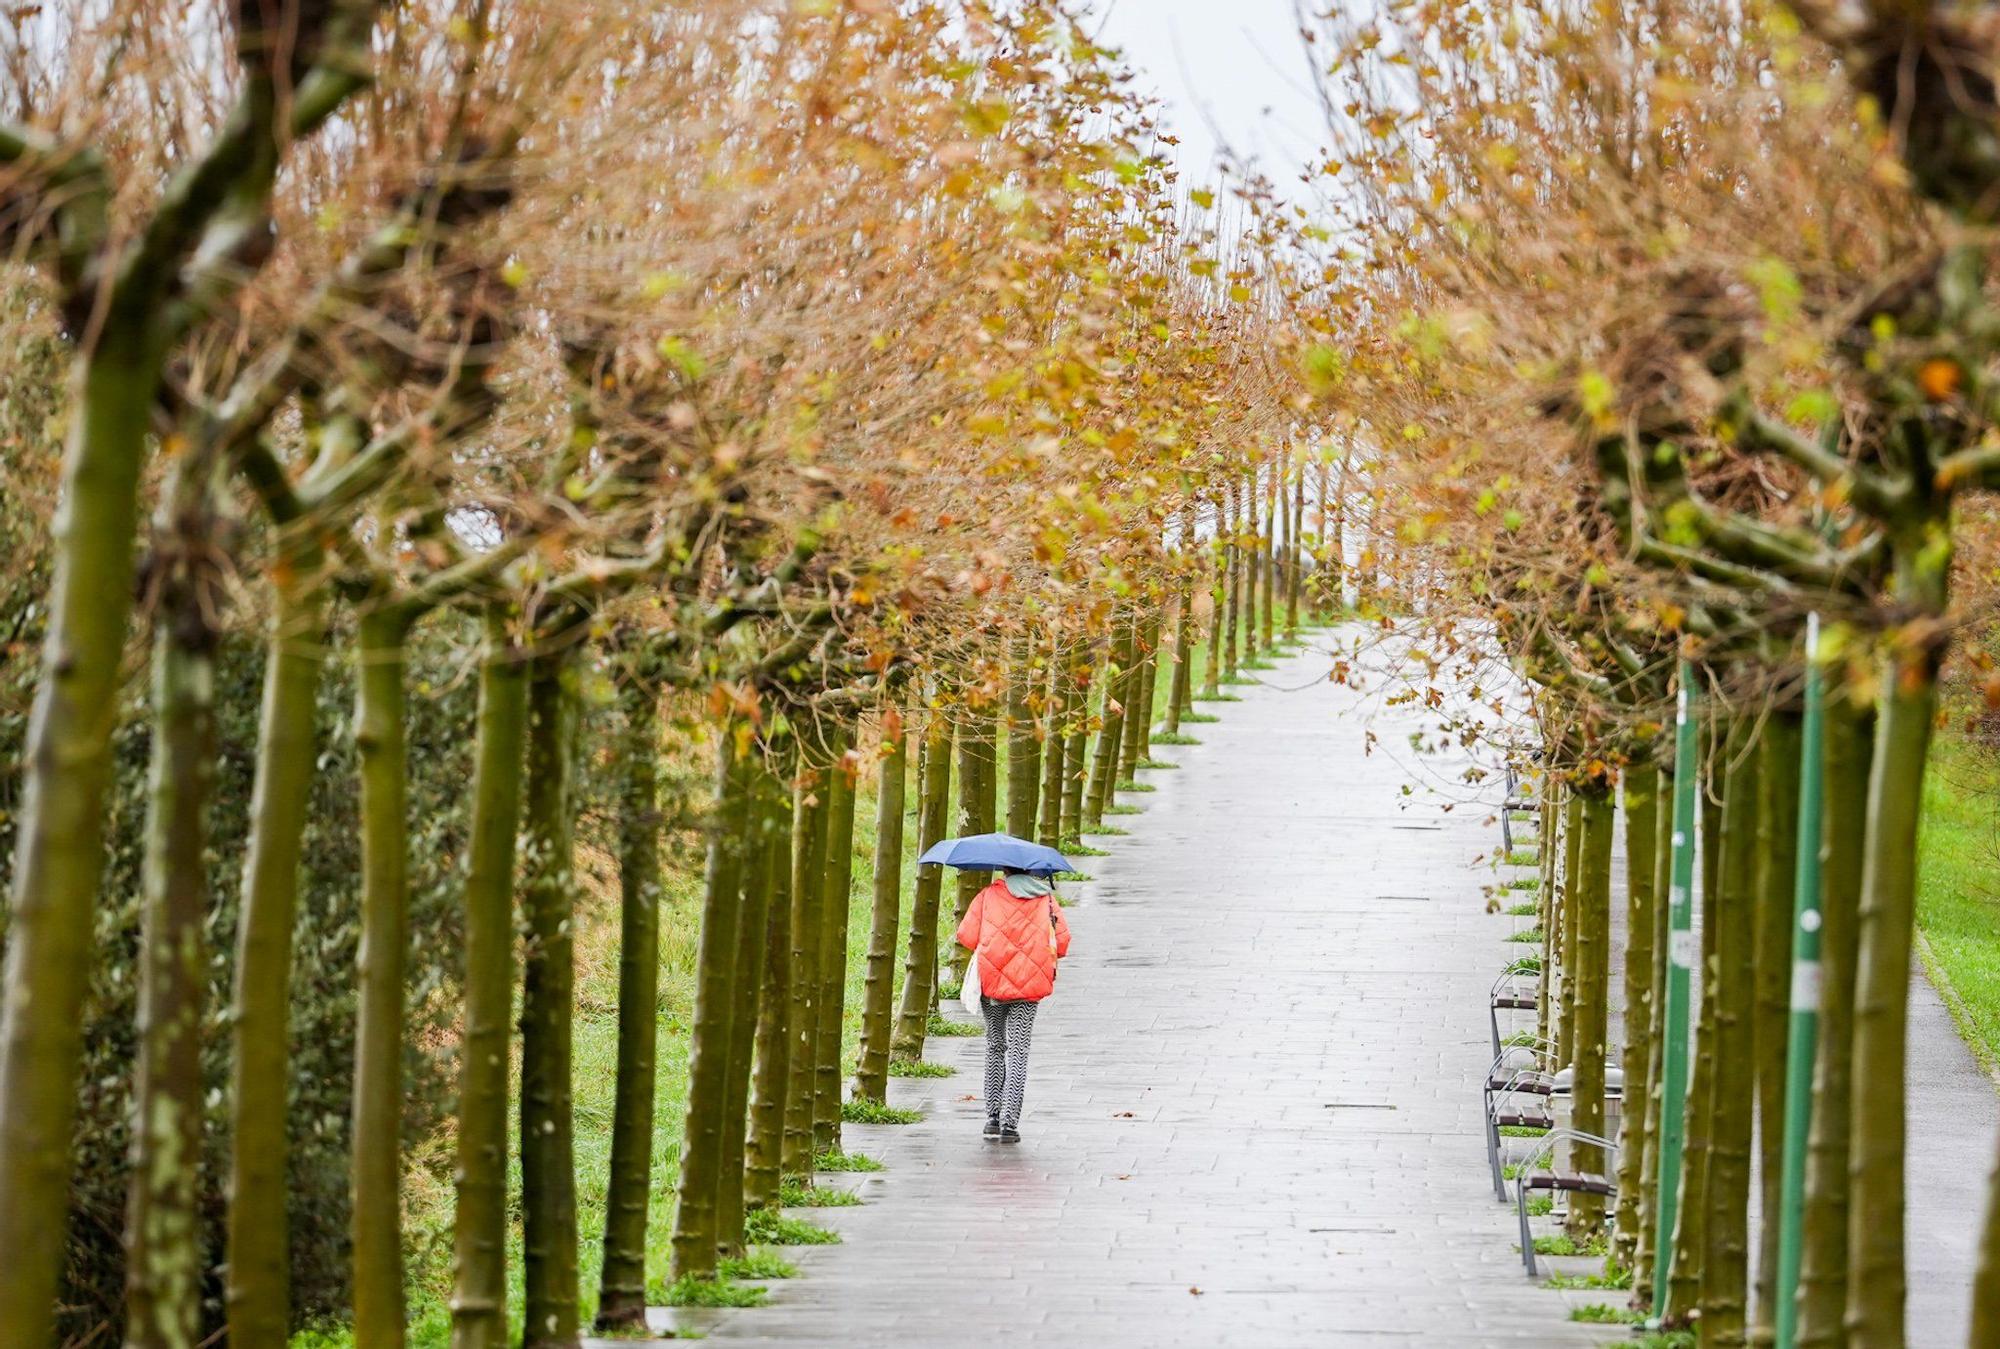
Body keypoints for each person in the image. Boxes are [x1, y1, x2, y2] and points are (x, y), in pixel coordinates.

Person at [955, 865, 1072, 1143]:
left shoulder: (987, 896)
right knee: (1019, 1049)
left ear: (1004, 870)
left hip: (992, 983)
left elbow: (966, 936)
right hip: (1030, 986)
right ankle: (1010, 1124)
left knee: (995, 1044)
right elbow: (1064, 943)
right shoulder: (1047, 900)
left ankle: (992, 1118)